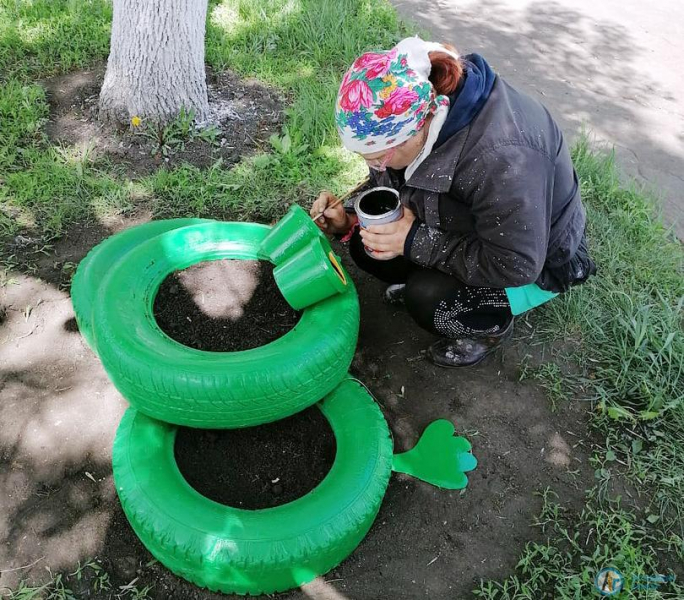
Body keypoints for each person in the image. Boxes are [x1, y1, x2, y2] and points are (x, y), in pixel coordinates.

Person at [311, 36, 595, 368]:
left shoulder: (504, 158)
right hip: (466, 225)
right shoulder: (419, 105)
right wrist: (348, 221)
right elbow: (395, 180)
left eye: (379, 158)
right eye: (368, 160)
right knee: (367, 245)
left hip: (537, 263)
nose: (377, 169)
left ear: (418, 129)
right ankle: (430, 273)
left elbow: (516, 263)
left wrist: (415, 239)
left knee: (429, 298)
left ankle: (489, 327)